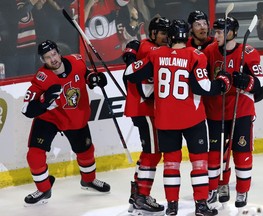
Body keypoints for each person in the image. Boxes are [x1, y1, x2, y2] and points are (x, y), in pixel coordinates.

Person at [124, 19, 232, 216]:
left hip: (165, 120)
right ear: (187, 35)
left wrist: (131, 56)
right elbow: (203, 88)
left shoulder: (156, 54)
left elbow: (131, 73)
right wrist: (223, 82)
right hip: (192, 118)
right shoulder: (195, 55)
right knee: (199, 162)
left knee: (171, 164)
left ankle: (172, 206)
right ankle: (201, 205)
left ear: (171, 37)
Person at [21, 40, 110, 206]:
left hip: (75, 117)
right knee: (34, 155)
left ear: (58, 52)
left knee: (86, 152)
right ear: (43, 60)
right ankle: (44, 189)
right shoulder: (41, 78)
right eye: (47, 57)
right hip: (50, 119)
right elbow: (27, 109)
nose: (52, 59)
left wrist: (94, 79)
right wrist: (44, 100)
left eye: (54, 54)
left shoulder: (76, 61)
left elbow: (86, 74)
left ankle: (89, 181)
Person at [202, 17, 263, 208]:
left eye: (220, 32)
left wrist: (247, 81)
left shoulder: (248, 52)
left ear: (232, 32)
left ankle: (242, 190)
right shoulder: (210, 51)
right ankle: (215, 188)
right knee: (215, 153)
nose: (216, 35)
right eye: (215, 31)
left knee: (241, 151)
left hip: (241, 110)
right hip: (216, 110)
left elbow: (261, 83)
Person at [121, 16, 170, 215]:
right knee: (153, 152)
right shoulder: (149, 49)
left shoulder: (146, 47)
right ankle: (142, 196)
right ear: (152, 33)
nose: (166, 37)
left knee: (149, 151)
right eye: (163, 33)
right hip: (145, 110)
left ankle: (137, 193)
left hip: (144, 109)